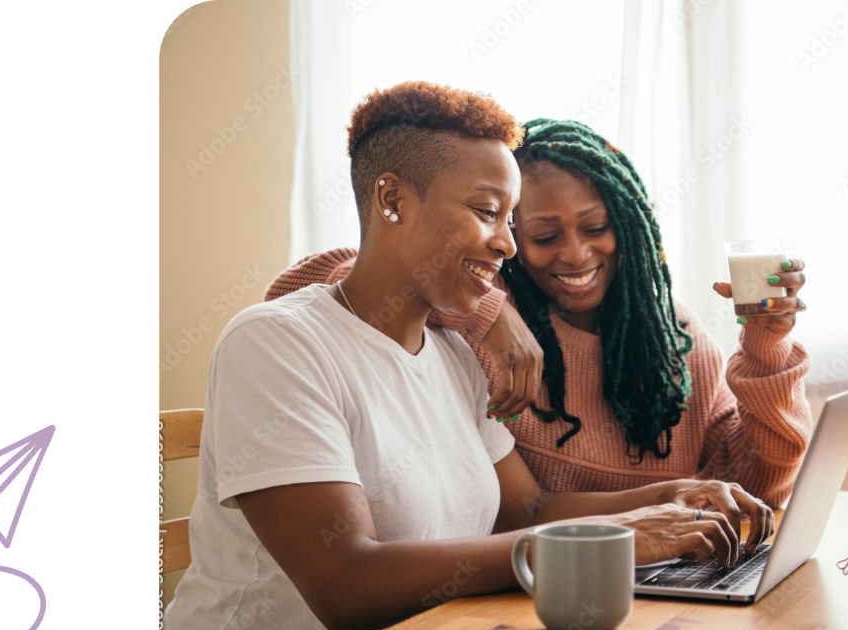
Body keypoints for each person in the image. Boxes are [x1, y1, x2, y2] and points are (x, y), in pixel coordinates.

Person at [163, 82, 773, 630]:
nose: (508, 244)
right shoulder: (275, 344)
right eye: (487, 212)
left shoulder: (454, 355)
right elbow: (346, 586)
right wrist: (617, 539)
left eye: (510, 219)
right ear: (392, 199)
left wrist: (665, 500)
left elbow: (526, 510)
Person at [267, 118, 812, 509]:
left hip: (656, 587)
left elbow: (756, 490)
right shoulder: (473, 317)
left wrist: (766, 348)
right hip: (521, 587)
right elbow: (311, 286)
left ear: (630, 228)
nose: (575, 255)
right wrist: (489, 310)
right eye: (545, 236)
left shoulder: (675, 342)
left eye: (595, 228)